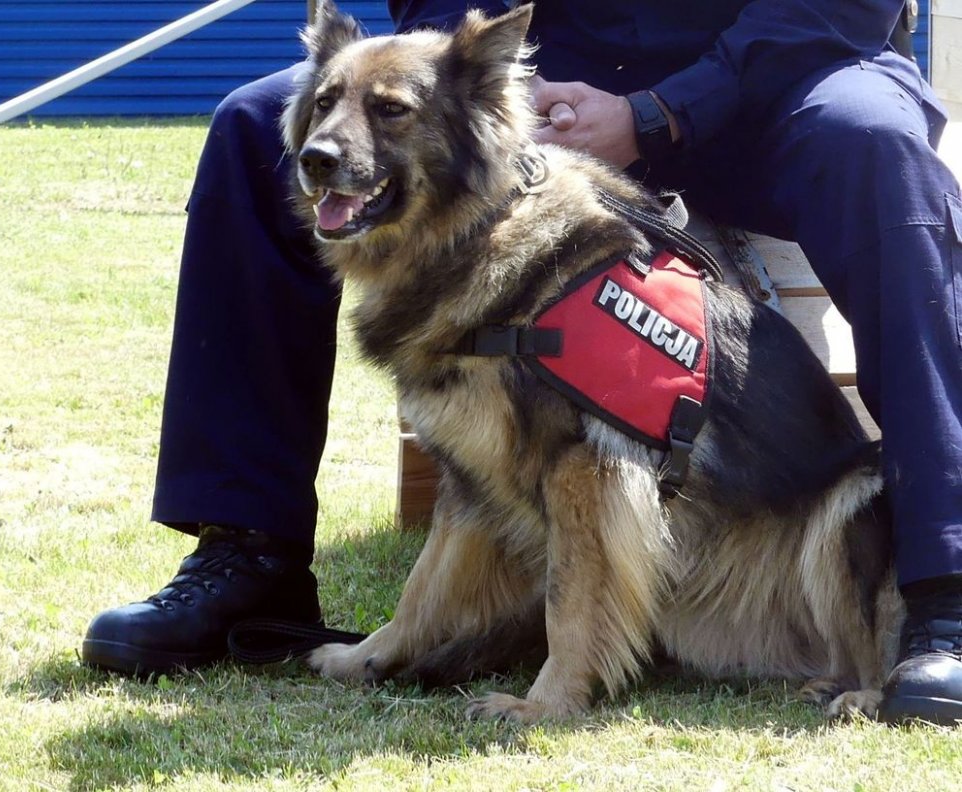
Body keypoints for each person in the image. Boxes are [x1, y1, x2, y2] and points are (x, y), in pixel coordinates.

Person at [82, 0, 962, 725]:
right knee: (247, 127)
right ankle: (250, 553)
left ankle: (943, 587)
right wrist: (491, 77)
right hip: (554, 65)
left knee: (879, 150)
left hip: (781, 68)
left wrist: (661, 113)